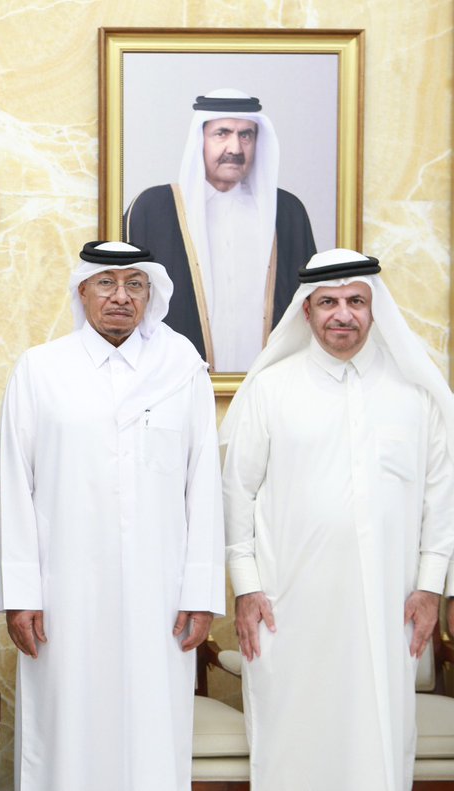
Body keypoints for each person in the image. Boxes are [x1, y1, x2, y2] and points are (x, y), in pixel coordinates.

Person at [0, 241, 225, 791]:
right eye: (106, 283)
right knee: (67, 730)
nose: (121, 297)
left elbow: (204, 490)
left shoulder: (183, 370)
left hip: (160, 599)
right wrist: (22, 594)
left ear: (150, 294)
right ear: (83, 291)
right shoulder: (40, 371)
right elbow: (14, 488)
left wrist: (201, 593)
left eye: (135, 285)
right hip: (65, 596)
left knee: (153, 731)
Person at [222, 248, 454, 790]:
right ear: (306, 311)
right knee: (292, 739)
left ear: (375, 310)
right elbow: (236, 495)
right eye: (327, 302)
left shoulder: (416, 395)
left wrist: (429, 588)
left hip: (388, 606)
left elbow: (441, 497)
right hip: (287, 608)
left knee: (377, 738)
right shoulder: (270, 390)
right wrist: (246, 588)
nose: (342, 314)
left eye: (355, 301)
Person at [124, 89, 317, 372]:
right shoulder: (153, 208)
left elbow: (310, 303)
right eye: (222, 133)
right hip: (172, 382)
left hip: (271, 383)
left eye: (246, 135)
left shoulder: (287, 212)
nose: (235, 149)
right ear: (199, 140)